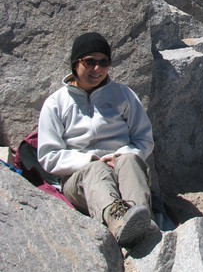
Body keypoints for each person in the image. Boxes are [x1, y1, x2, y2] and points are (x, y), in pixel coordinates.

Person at [37, 32, 155, 248]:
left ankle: (141, 218)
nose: (97, 69)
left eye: (104, 62)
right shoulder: (56, 103)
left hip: (121, 168)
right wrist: (89, 160)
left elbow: (144, 140)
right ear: (76, 64)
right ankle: (119, 221)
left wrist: (120, 155)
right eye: (90, 62)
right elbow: (48, 156)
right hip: (80, 179)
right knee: (95, 171)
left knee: (129, 161)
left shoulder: (123, 95)